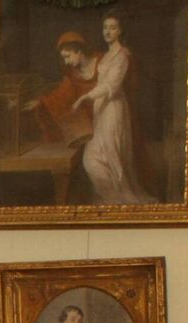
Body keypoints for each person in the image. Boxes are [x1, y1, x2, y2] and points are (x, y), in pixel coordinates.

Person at [72, 13, 156, 205]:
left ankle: (117, 199)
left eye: (112, 27)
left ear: (120, 31)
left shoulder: (122, 55)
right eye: (105, 28)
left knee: (110, 154)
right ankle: (108, 196)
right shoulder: (105, 57)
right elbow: (95, 77)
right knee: (93, 156)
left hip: (114, 109)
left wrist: (85, 97)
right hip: (100, 109)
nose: (108, 31)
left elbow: (112, 84)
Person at [24, 31, 98, 147]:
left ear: (78, 51)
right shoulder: (73, 75)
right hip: (91, 123)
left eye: (67, 56)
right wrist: (42, 102)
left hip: (108, 114)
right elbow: (61, 95)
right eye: (63, 58)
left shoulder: (103, 62)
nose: (66, 62)